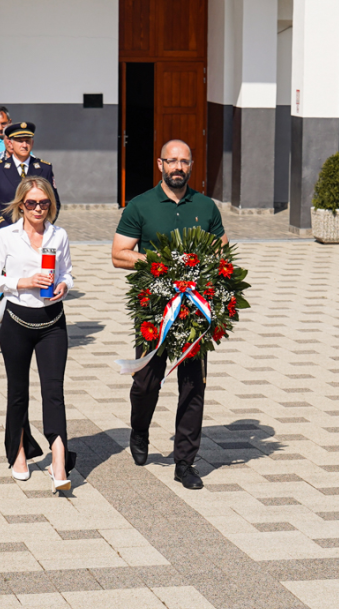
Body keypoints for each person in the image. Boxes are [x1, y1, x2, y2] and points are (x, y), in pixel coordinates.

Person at [112, 139, 227, 490]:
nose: (178, 167)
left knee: (193, 385)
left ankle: (185, 462)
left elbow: (222, 255)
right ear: (160, 164)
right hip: (154, 307)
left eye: (184, 162)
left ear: (191, 166)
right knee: (146, 382)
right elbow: (119, 254)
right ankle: (140, 429)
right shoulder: (140, 205)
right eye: (172, 161)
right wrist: (161, 264)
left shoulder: (206, 207)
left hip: (195, 309)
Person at [0, 176, 76, 493]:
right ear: (21, 204)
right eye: (32, 203)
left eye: (44, 203)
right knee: (18, 392)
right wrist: (23, 282)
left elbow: (66, 273)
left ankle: (59, 459)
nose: (38, 209)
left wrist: (64, 286)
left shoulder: (58, 235)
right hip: (16, 321)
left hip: (53, 321)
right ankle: (19, 451)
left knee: (54, 392)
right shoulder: (6, 236)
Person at [0, 122, 60, 234]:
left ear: (32, 143)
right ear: (10, 143)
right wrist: (2, 226)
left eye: (27, 141)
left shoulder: (44, 168)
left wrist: (44, 225)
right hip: (8, 232)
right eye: (20, 141)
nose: (24, 145)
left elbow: (54, 203)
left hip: (37, 232)